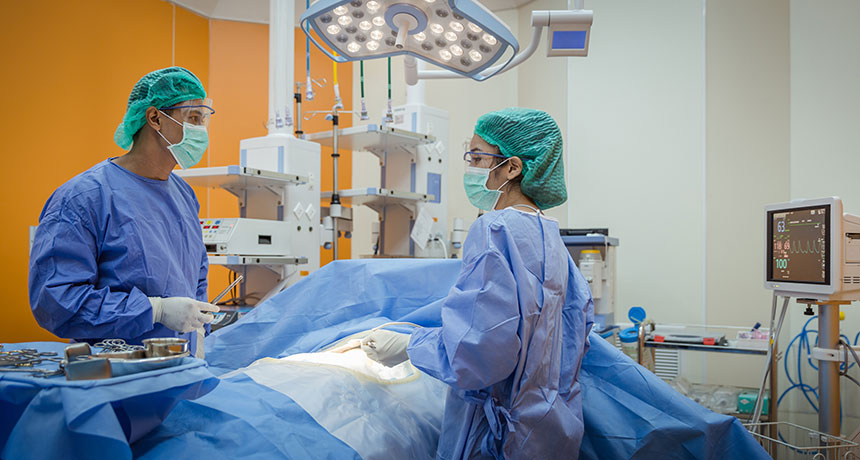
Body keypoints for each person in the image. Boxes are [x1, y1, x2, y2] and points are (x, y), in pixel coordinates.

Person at [361, 108, 594, 459]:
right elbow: (574, 336)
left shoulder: (495, 229)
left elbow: (479, 351)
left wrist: (411, 345)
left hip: (501, 438)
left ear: (512, 167)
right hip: (553, 431)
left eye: (478, 156)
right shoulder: (550, 236)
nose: (470, 166)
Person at [29, 66, 219, 357]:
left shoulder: (184, 196)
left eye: (204, 120)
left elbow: (196, 277)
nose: (201, 131)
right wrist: (154, 311)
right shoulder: (84, 198)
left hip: (181, 367)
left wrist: (198, 328)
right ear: (155, 117)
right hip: (116, 374)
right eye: (193, 118)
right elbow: (56, 301)